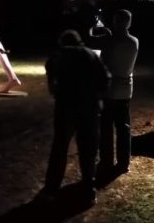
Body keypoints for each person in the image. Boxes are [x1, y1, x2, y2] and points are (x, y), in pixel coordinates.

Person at [37, 29, 110, 206]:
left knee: (60, 148)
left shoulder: (58, 56)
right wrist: (96, 96)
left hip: (66, 108)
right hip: (90, 109)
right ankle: (89, 191)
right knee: (88, 151)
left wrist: (57, 90)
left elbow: (51, 83)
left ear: (63, 43)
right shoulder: (91, 55)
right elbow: (106, 79)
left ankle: (51, 190)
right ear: (79, 41)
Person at [89, 9, 139, 175]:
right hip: (126, 90)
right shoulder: (134, 41)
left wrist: (96, 27)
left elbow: (89, 39)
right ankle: (124, 163)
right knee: (124, 127)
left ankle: (106, 162)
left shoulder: (108, 40)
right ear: (129, 23)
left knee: (106, 128)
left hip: (109, 91)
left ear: (115, 22)